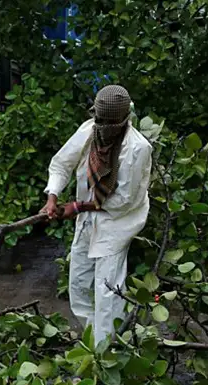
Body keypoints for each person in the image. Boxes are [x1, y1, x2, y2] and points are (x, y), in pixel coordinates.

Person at [42, 85, 152, 344]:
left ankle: (105, 355)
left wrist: (78, 206)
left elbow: (124, 201)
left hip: (117, 224)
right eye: (98, 120)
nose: (101, 126)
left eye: (107, 122)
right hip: (88, 218)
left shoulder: (138, 148)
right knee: (78, 285)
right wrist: (52, 198)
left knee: (108, 292)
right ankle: (98, 341)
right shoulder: (89, 131)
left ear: (124, 120)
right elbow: (61, 163)